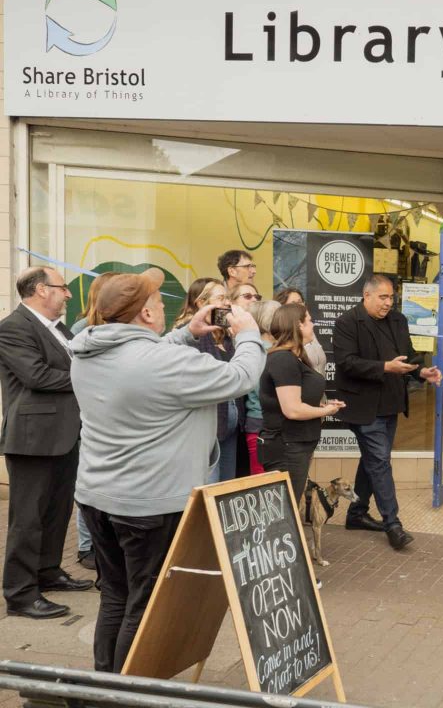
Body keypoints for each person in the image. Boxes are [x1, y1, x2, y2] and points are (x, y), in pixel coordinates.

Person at [71, 268, 265, 671]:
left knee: (116, 597)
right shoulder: (162, 362)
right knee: (144, 605)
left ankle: (102, 682)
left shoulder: (86, 349)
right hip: (148, 505)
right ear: (145, 314)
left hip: (96, 496)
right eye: (159, 302)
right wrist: (247, 332)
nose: (164, 308)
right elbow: (241, 376)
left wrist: (186, 332)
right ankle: (123, 695)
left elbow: (141, 356)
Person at [0, 267, 93, 620]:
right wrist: (90, 377)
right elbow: (35, 375)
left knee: (57, 512)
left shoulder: (59, 329)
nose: (68, 294)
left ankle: (48, 572)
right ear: (41, 290)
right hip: (32, 438)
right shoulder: (13, 327)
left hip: (65, 433)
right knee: (28, 518)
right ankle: (21, 593)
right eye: (63, 288)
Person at [333, 275, 443, 550]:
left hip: (390, 402)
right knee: (380, 460)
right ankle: (393, 524)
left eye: (391, 297)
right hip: (362, 405)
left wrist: (422, 372)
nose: (388, 303)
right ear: (366, 295)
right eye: (382, 297)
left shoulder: (398, 320)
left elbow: (408, 355)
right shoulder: (347, 322)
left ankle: (356, 514)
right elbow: (347, 364)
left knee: (373, 459)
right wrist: (385, 367)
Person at [258, 303, 344, 502]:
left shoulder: (295, 358)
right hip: (287, 445)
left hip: (297, 443)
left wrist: (321, 407)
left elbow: (297, 400)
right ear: (298, 325)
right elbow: (293, 410)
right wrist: (327, 411)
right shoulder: (283, 359)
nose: (313, 325)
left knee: (289, 505)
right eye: (310, 320)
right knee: (284, 508)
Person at [69, 271, 117, 572]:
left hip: (111, 414)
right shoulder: (82, 329)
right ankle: (87, 545)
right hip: (91, 416)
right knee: (88, 483)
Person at [194, 280, 248, 482]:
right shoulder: (194, 337)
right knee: (210, 484)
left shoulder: (227, 338)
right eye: (220, 298)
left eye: (227, 297)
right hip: (209, 428)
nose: (226, 302)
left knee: (227, 484)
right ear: (202, 303)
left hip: (231, 426)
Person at [243, 299, 281, 476]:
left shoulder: (270, 350)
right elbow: (262, 391)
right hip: (261, 424)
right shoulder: (263, 352)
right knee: (263, 483)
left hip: (263, 423)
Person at [273, 287, 328, 375]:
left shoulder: (309, 332)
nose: (299, 305)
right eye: (293, 303)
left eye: (300, 302)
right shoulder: (284, 336)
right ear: (283, 308)